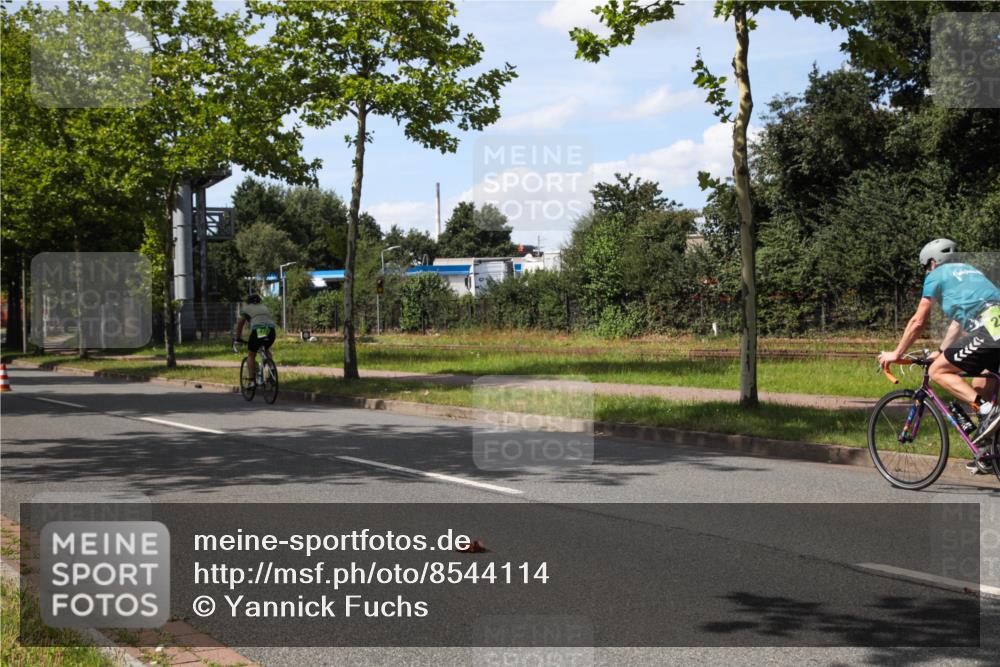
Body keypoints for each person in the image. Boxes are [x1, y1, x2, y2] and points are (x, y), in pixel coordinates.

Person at [878, 239, 1000, 470]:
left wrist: (896, 353)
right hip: (995, 330)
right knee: (978, 387)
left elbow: (918, 321)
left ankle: (988, 412)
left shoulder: (936, 275)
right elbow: (957, 323)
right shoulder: (970, 272)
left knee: (937, 371)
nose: (926, 272)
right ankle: (989, 455)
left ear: (933, 263)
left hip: (990, 332)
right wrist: (943, 351)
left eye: (925, 267)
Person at [234, 293, 277, 387]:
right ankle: (272, 372)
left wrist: (237, 337)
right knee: (266, 350)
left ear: (248, 302)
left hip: (259, 330)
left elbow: (240, 324)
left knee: (251, 354)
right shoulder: (264, 307)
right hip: (271, 331)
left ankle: (252, 381)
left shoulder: (247, 308)